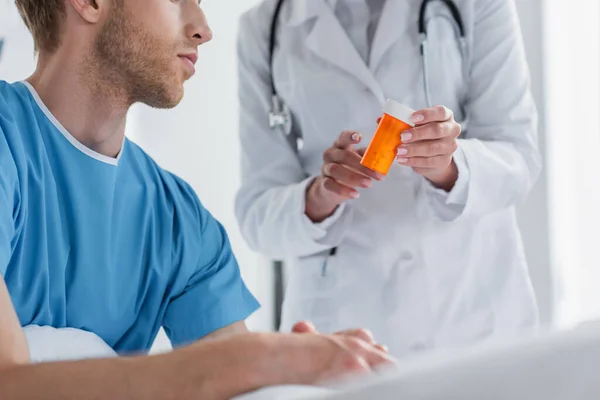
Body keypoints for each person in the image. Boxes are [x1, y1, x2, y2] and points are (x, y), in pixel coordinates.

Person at [0, 0, 392, 398]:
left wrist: (286, 371)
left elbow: (241, 385)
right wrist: (254, 359)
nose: (203, 28)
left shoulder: (180, 222)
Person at [236, 0, 542, 358]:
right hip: (341, 321)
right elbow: (258, 216)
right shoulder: (264, 27)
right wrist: (320, 196)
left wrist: (449, 166)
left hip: (470, 307)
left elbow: (519, 156)